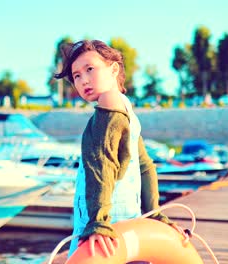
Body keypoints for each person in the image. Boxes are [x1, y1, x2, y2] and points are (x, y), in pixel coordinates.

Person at [54, 40, 179, 259]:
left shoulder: (109, 102)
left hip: (105, 229)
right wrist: (154, 213)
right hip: (130, 223)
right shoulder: (127, 109)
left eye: (89, 69)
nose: (83, 80)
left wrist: (98, 222)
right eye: (76, 76)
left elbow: (101, 163)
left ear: (113, 69)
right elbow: (145, 166)